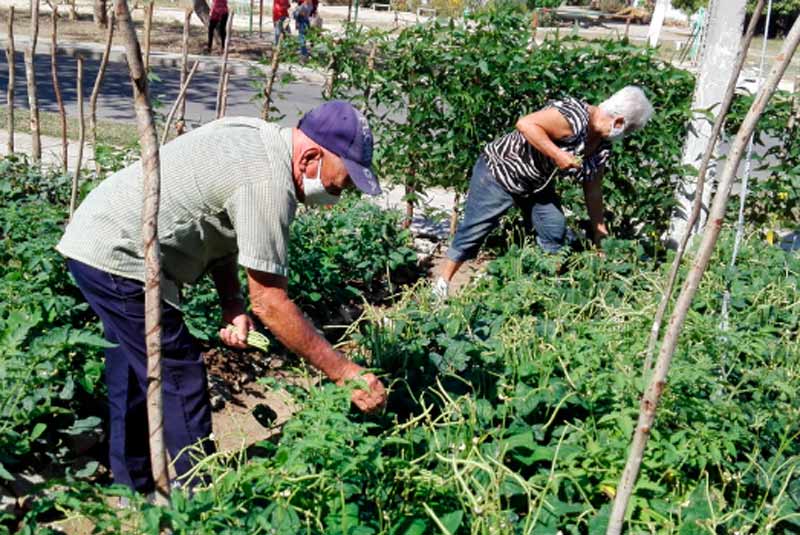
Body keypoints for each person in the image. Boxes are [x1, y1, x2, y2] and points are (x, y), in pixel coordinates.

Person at [56, 101, 387, 495]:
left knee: (133, 367)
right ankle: (197, 500)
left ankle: (133, 487)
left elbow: (222, 229)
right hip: (120, 254)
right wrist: (345, 372)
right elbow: (271, 303)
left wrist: (232, 303)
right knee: (178, 372)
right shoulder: (268, 182)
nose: (339, 193)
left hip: (100, 235)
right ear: (312, 157)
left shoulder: (258, 138)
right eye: (341, 182)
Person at [434, 86, 654, 298]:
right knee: (476, 230)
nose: (624, 136)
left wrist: (599, 230)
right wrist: (557, 154)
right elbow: (526, 124)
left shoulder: (601, 146)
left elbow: (593, 189)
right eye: (628, 131)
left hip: (535, 183)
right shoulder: (575, 116)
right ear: (618, 122)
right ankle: (442, 284)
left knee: (554, 229)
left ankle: (541, 285)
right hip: (499, 172)